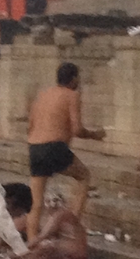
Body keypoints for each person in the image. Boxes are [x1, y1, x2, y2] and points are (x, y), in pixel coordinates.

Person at [27, 62, 106, 242]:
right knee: (84, 176)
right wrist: (96, 135)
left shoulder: (43, 94)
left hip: (34, 147)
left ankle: (31, 243)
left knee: (36, 203)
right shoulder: (72, 95)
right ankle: (71, 225)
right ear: (74, 79)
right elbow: (77, 129)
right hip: (54, 146)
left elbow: (31, 124)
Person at [18, 191, 88, 259]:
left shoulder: (61, 214)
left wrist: (18, 252)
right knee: (40, 250)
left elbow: (41, 237)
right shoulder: (56, 217)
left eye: (54, 201)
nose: (52, 204)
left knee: (44, 247)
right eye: (48, 201)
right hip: (69, 257)